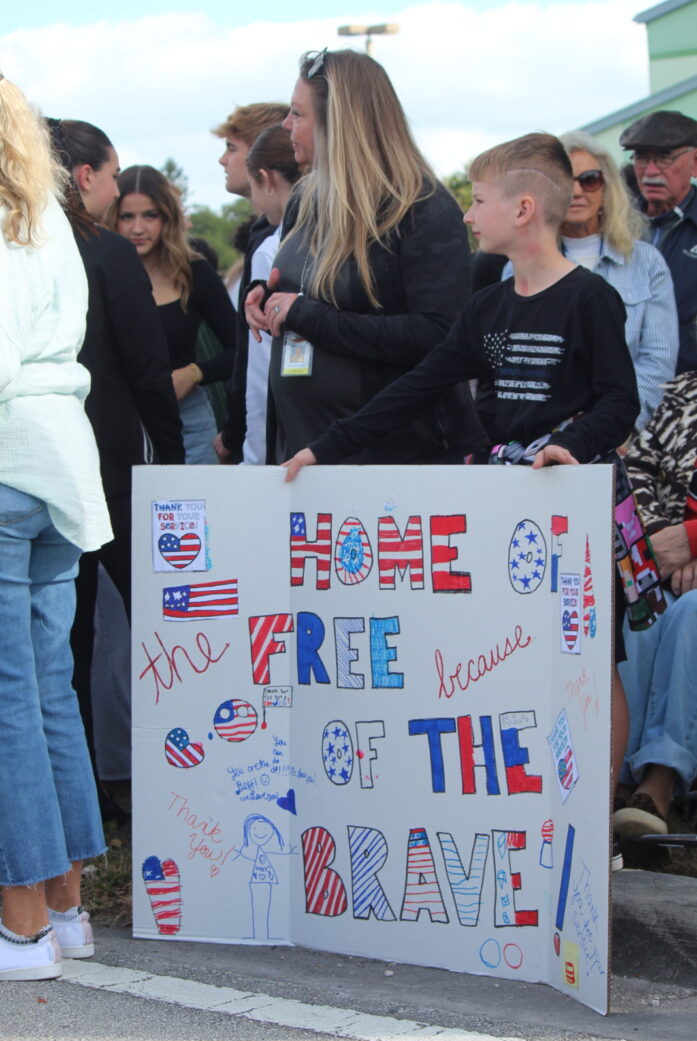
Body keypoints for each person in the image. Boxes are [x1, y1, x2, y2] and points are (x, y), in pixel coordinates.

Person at [284, 134, 645, 865]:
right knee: (517, 660)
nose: (468, 216)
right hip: (503, 513)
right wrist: (328, 446)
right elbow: (416, 384)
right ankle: (527, 806)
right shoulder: (485, 308)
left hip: (574, 512)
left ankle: (594, 815)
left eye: (477, 201)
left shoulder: (590, 298)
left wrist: (568, 447)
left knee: (589, 661)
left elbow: (621, 402)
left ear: (522, 208)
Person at [0, 74, 112, 980]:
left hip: (7, 464)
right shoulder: (49, 221)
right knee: (43, 691)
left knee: (9, 700)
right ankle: (65, 912)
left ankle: (22, 926)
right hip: (59, 470)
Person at [245, 48, 484, 465]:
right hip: (305, 450)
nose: (285, 125)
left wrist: (306, 315)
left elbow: (440, 335)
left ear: (337, 123)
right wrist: (266, 294)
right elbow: (315, 287)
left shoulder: (422, 207)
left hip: (394, 459)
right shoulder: (307, 196)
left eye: (297, 114)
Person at [48, 119, 184, 803]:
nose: (114, 187)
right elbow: (147, 369)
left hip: (42, 474)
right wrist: (174, 463)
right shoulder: (104, 254)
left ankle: (74, 803)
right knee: (166, 626)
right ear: (85, 179)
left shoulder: (22, 247)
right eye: (111, 175)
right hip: (116, 477)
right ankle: (174, 792)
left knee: (57, 647)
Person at [615, 371, 697, 838]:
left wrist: (692, 541)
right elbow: (639, 468)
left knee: (690, 616)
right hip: (665, 560)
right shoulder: (686, 391)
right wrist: (666, 537)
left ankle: (660, 780)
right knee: (643, 613)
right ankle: (620, 781)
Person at [110, 165, 238, 463]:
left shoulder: (195, 272)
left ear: (167, 217)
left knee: (199, 509)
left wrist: (195, 373)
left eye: (150, 216)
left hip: (188, 422)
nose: (138, 228)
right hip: (121, 423)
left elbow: (242, 348)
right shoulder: (102, 271)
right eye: (127, 216)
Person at [558, 132, 677, 429]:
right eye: (563, 180)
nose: (576, 191)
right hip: (544, 439)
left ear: (606, 187)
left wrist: (607, 426)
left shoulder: (647, 262)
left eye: (588, 179)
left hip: (623, 438)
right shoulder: (520, 267)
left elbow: (658, 361)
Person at [216, 124, 302, 464]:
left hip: (276, 438)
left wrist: (252, 453)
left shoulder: (271, 250)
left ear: (265, 179)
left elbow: (260, 364)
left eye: (252, 187)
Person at [620, 110, 697, 374]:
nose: (650, 171)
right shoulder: (614, 226)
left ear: (695, 163)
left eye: (664, 158)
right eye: (641, 158)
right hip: (622, 391)